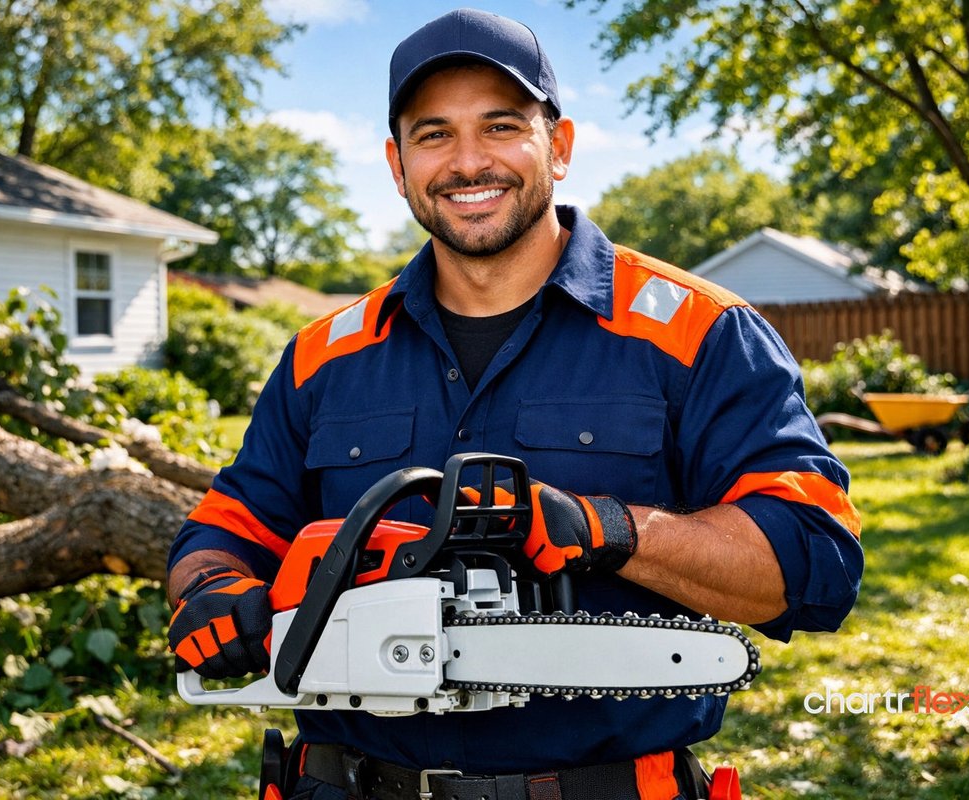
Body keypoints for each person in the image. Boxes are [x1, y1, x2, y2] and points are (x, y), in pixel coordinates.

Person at [167, 8, 863, 799]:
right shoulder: (326, 356)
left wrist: (609, 529)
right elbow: (226, 528)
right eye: (434, 135)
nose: (468, 163)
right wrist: (209, 588)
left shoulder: (700, 334)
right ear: (398, 165)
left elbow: (812, 555)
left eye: (500, 126)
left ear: (557, 147)